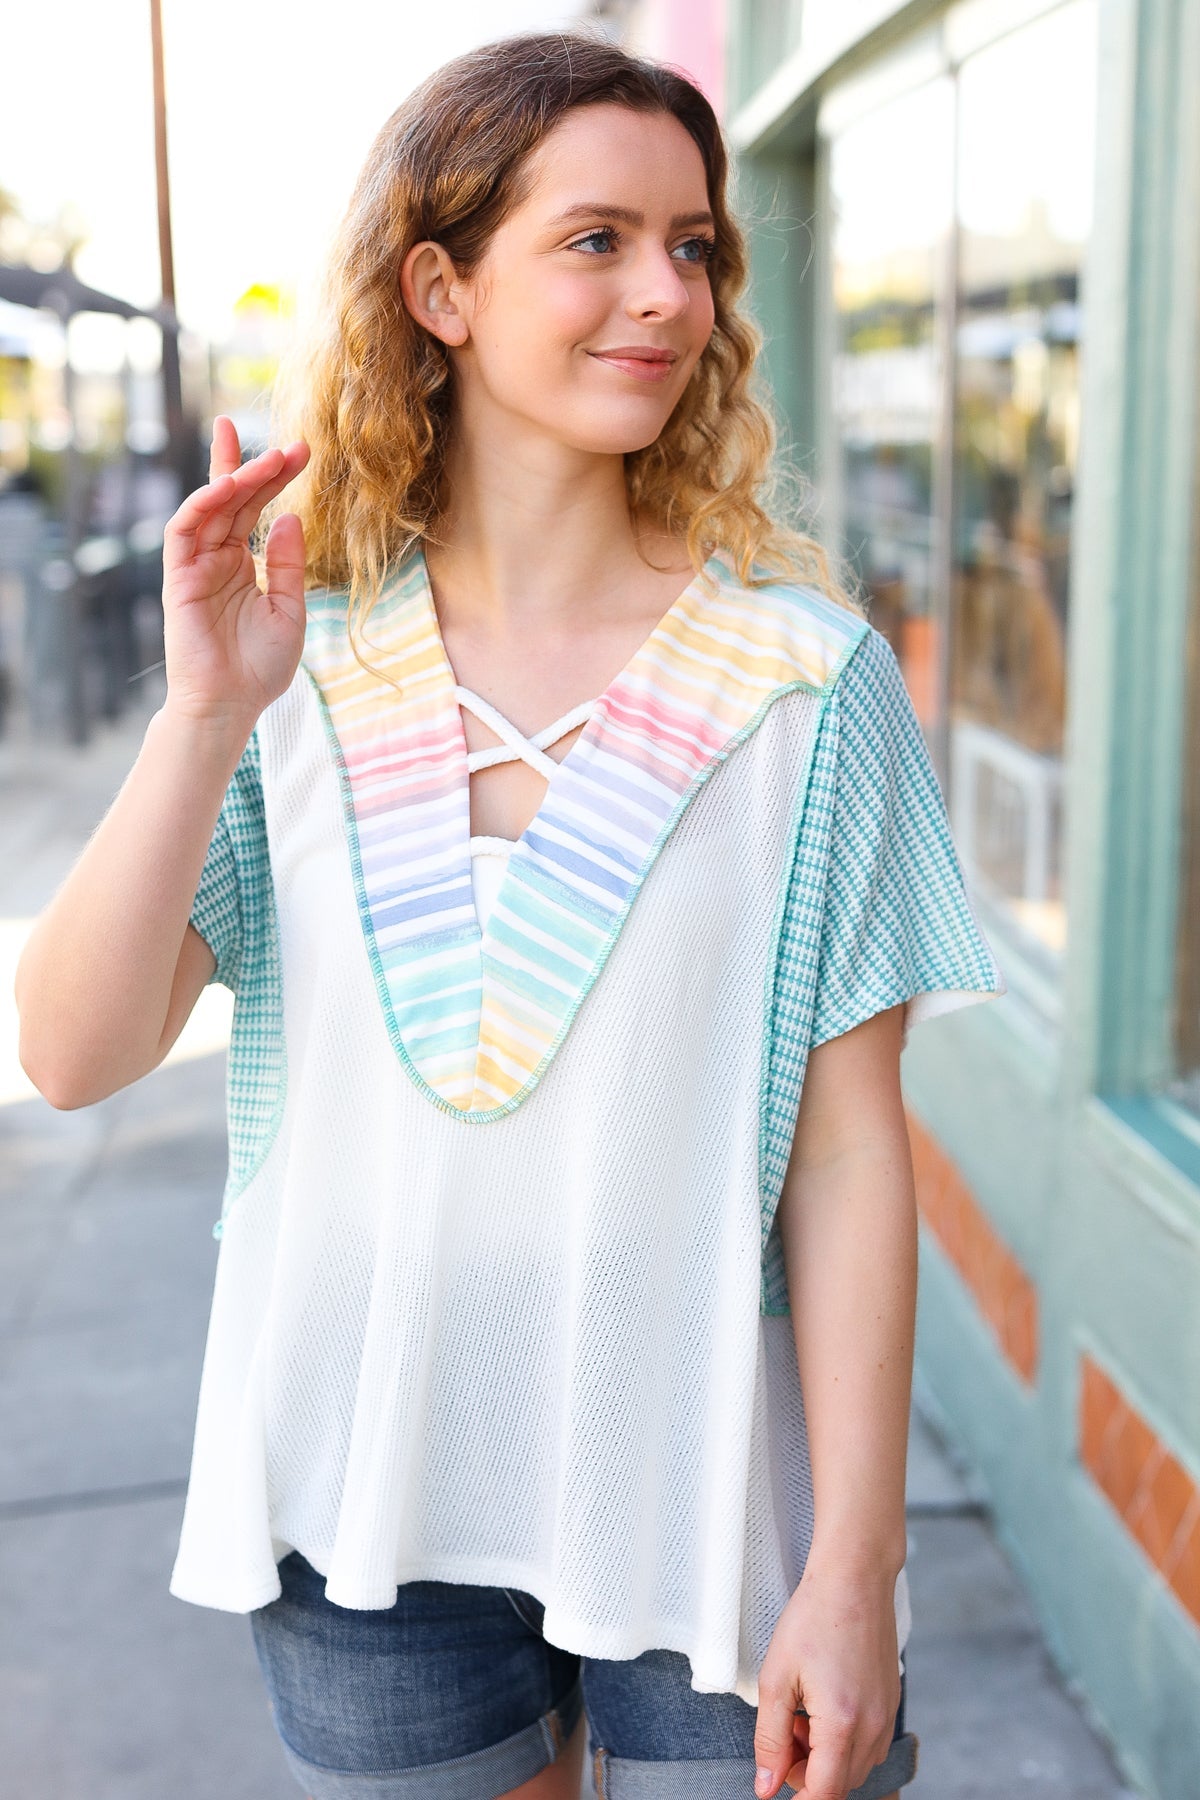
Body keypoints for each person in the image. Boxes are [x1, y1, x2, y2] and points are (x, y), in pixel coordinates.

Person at [14, 30, 1006, 1800]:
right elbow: (73, 1056)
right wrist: (202, 716)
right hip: (363, 1493)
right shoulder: (290, 662)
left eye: (693, 245)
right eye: (596, 240)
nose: (667, 293)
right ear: (440, 290)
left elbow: (853, 1151)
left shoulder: (804, 680)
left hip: (715, 1493)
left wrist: (857, 1567)